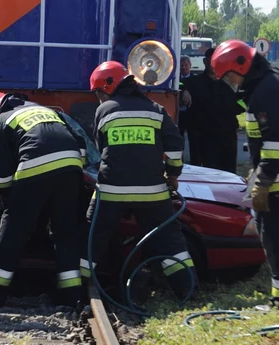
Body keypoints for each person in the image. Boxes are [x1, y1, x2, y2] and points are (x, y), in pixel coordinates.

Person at [212, 40, 279, 308]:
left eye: (228, 76)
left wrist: (263, 182)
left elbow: (277, 143)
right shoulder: (268, 83)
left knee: (276, 236)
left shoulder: (266, 92)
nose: (231, 82)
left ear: (241, 65)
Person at [81, 61, 196, 299]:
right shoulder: (155, 109)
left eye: (99, 93)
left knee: (92, 235)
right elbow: (175, 146)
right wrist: (172, 176)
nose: (99, 98)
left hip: (111, 191)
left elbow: (101, 149)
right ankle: (186, 289)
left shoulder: (104, 111)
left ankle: (79, 289)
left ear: (108, 87)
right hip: (152, 192)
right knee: (169, 239)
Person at [0, 91, 86, 307]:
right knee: (64, 232)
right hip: (72, 168)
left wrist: (10, 197)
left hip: (34, 168)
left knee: (14, 229)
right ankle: (72, 295)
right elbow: (80, 145)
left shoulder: (2, 120)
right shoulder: (47, 111)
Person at [184, 48, 243, 173]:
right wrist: (184, 91)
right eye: (212, 61)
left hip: (228, 137)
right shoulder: (195, 83)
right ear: (205, 61)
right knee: (211, 173)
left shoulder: (230, 83)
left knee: (230, 174)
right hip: (208, 139)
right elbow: (178, 83)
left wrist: (234, 108)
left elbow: (243, 101)